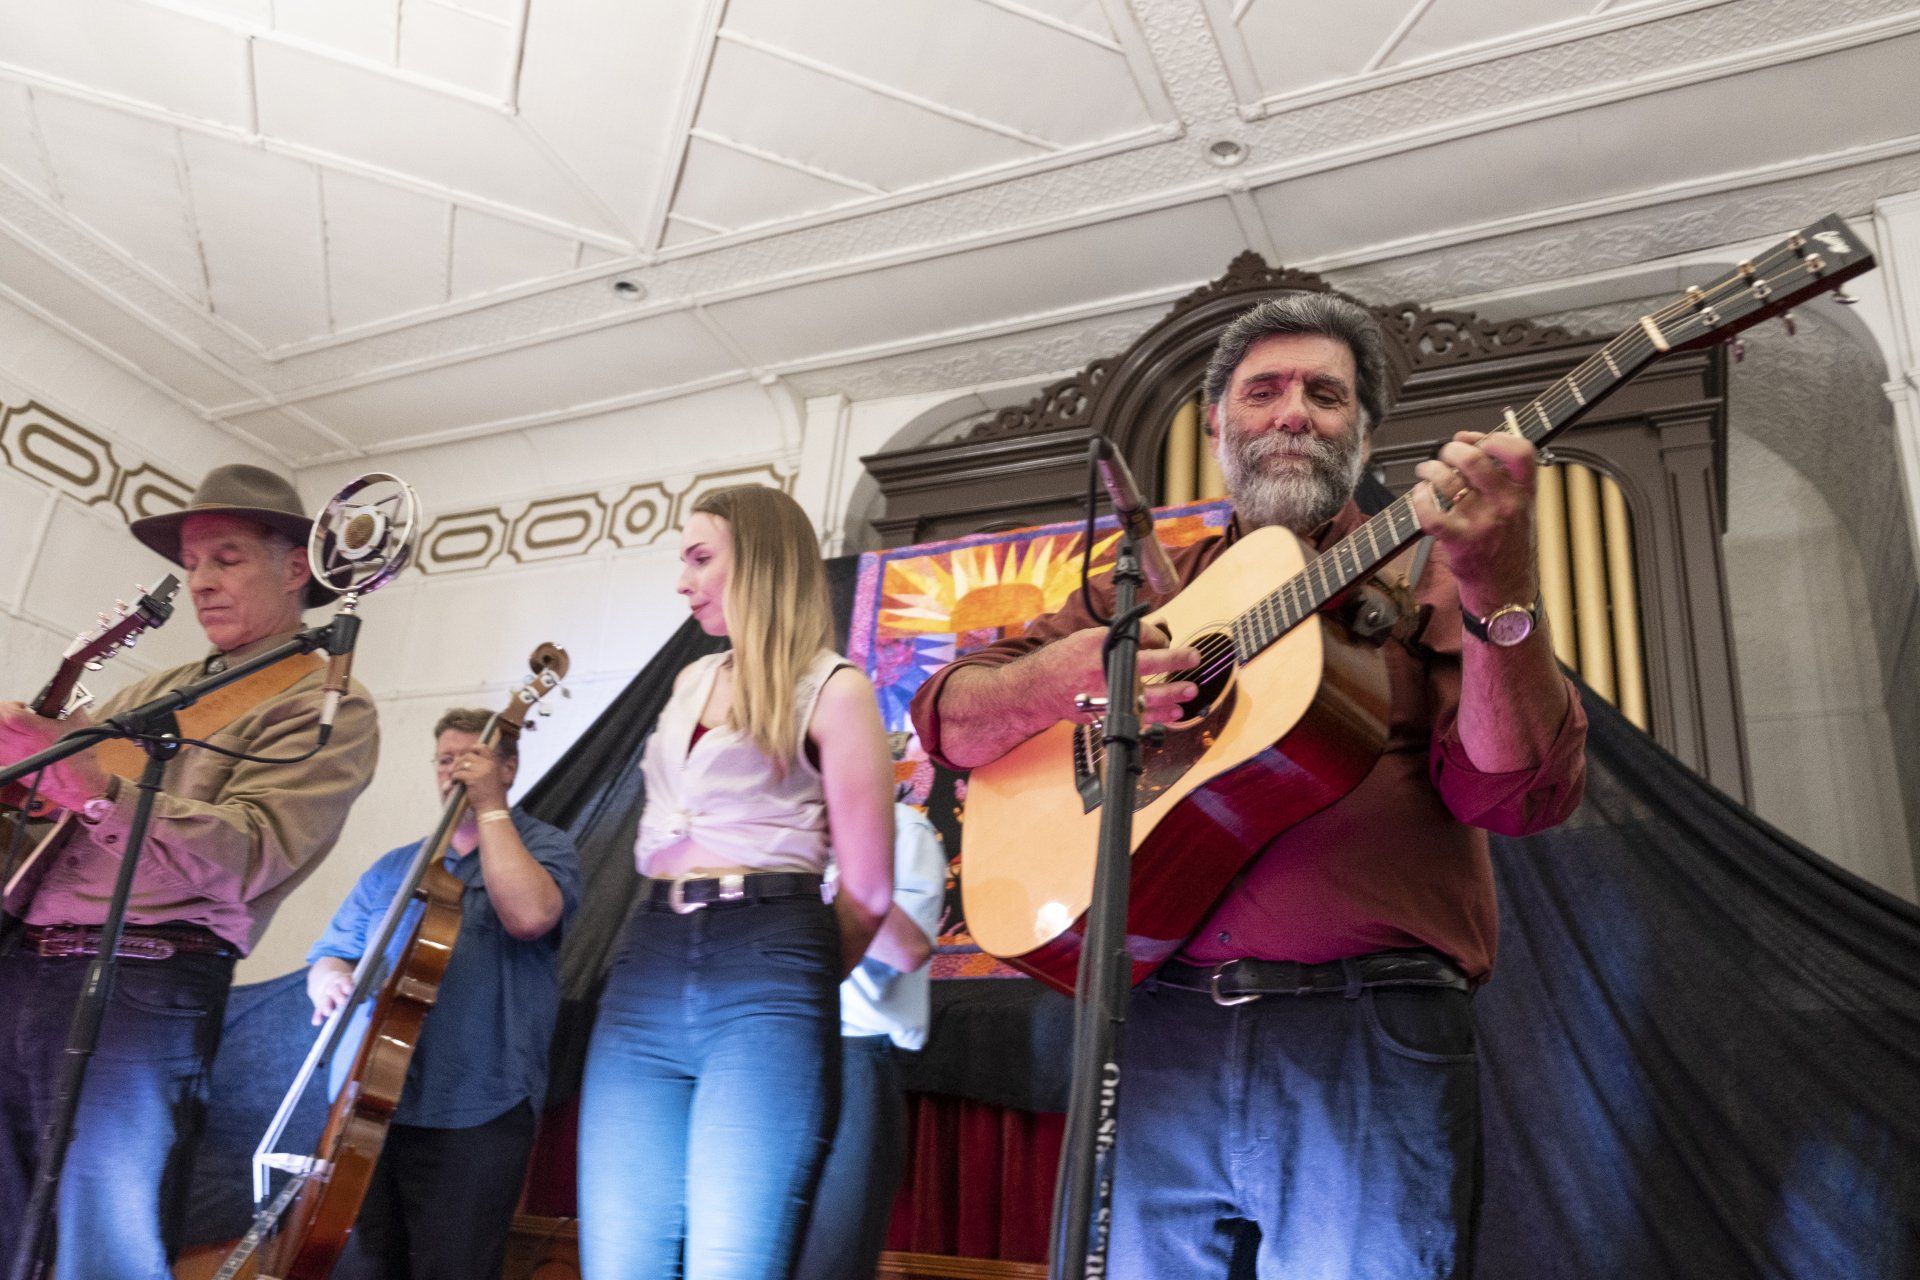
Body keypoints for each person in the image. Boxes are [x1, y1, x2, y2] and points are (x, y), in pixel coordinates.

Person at [910, 293, 1588, 1279]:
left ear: (1362, 431)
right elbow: (951, 720)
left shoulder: (1427, 575)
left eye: (1325, 393)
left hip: (1363, 1034)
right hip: (1155, 1036)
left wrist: (1499, 590)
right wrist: (1063, 677)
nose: (1292, 412)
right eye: (1262, 391)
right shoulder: (1143, 589)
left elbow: (1518, 795)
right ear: (1218, 424)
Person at [0, 463, 380, 1280]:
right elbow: (51, 802)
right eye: (194, 564)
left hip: (141, 984)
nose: (201, 582)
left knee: (102, 1245)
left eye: (227, 557)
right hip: (26, 968)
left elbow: (251, 852)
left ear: (294, 569)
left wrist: (89, 785)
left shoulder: (328, 704)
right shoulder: (158, 687)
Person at [577, 484, 895, 1280]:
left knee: (734, 1262)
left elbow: (870, 894)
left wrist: (783, 974)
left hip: (769, 959)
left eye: (699, 558)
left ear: (758, 561)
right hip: (647, 956)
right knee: (620, 1260)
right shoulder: (689, 681)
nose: (682, 581)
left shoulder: (835, 688)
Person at [306, 707, 580, 1280]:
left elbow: (531, 916)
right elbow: (332, 952)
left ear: (508, 767)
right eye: (445, 760)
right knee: (361, 1265)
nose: (454, 770)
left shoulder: (546, 849)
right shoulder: (395, 867)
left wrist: (489, 810)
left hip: (477, 1106)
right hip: (368, 1103)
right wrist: (329, 978)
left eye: (471, 759)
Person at [793, 802, 948, 1280]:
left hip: (853, 1055)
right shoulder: (759, 826)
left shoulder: (899, 827)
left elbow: (909, 949)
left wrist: (816, 877)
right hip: (762, 1048)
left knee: (830, 1258)